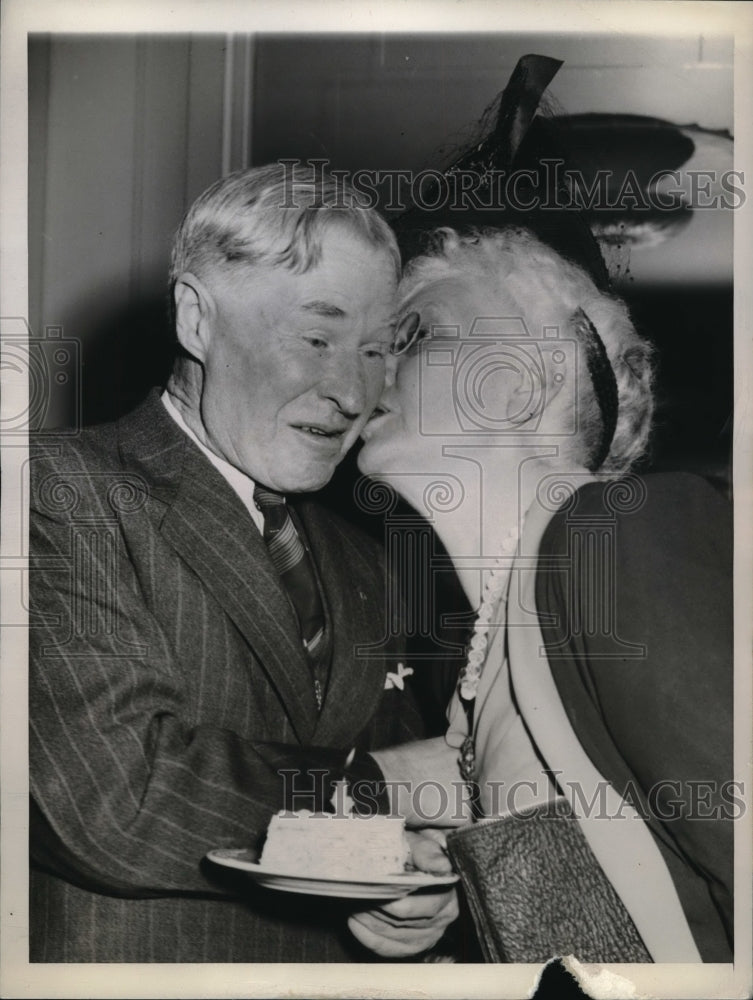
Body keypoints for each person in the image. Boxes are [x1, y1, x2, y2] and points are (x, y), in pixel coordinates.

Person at [28, 163, 458, 963]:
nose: (351, 391)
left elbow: (392, 832)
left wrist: (405, 894)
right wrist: (373, 790)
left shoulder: (363, 562)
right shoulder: (57, 494)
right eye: (317, 337)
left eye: (373, 350)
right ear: (197, 320)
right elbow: (107, 798)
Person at [353, 226, 733, 962]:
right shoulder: (482, 651)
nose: (368, 367)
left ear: (517, 382)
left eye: (409, 337)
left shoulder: (617, 538)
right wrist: (448, 900)